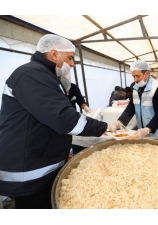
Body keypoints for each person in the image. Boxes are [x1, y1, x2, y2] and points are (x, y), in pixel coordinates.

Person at [0, 34, 107, 209]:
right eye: (70, 58)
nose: (72, 64)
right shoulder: (31, 74)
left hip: (41, 163)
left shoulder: (44, 75)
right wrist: (105, 128)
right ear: (54, 54)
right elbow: (64, 119)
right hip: (29, 173)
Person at [108, 60, 158, 140]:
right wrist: (119, 122)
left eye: (138, 76)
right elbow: (131, 108)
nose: (135, 80)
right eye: (133, 76)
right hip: (144, 133)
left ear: (147, 74)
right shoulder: (135, 88)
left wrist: (147, 129)